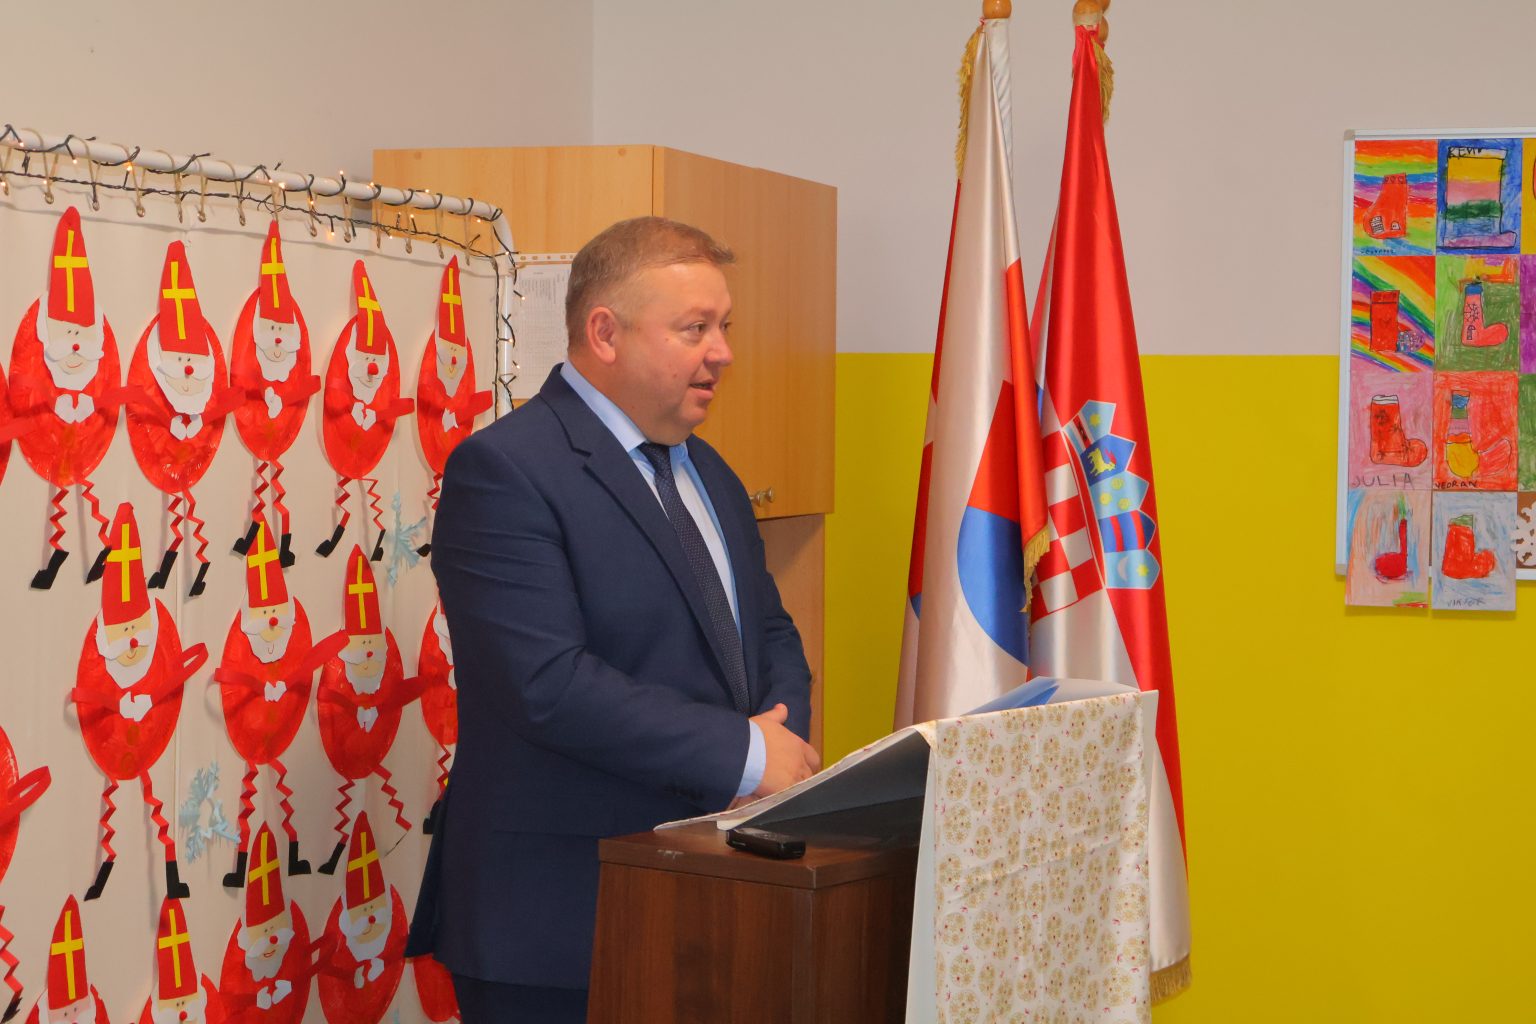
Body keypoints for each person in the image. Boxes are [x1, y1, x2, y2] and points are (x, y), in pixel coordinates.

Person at [407, 216, 820, 1023]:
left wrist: (780, 746)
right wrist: (744, 755)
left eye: (724, 326)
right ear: (604, 333)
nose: (723, 352)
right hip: (557, 922)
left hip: (711, 894)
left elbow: (769, 632)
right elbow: (546, 683)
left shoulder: (712, 473)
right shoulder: (506, 470)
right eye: (695, 328)